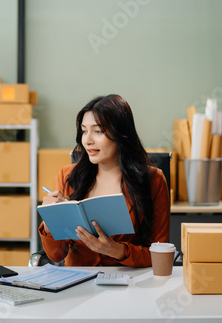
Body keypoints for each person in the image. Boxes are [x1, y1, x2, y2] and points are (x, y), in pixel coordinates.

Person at [38, 94, 170, 267]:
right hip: (78, 284)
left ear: (121, 134)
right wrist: (50, 219)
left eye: (98, 131)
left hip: (129, 285)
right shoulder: (68, 176)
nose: (88, 140)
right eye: (84, 130)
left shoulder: (153, 180)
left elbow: (160, 254)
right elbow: (56, 256)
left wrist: (116, 250)